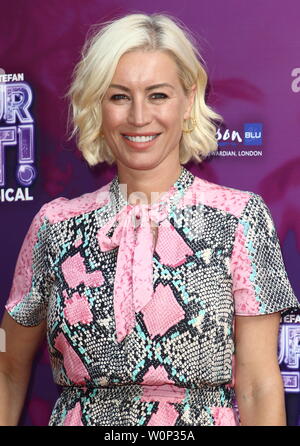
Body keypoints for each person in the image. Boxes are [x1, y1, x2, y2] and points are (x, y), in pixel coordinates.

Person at [1, 12, 300, 427]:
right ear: (97, 104)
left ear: (187, 98)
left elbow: (258, 385)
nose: (139, 116)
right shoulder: (55, 225)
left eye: (157, 95)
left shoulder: (237, 218)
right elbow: (7, 365)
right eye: (119, 96)